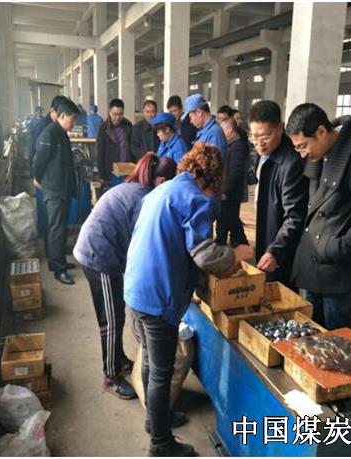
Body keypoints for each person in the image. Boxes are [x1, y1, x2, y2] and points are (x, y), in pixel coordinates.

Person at [124, 142, 254, 456]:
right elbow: (205, 255)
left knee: (150, 360)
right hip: (158, 295)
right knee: (161, 372)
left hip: (135, 288)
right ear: (210, 180)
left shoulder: (164, 190)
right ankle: (160, 443)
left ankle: (155, 420)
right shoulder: (195, 198)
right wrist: (236, 255)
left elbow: (173, 242)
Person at [73, 154, 178, 400]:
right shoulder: (144, 199)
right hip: (99, 256)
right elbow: (143, 244)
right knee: (111, 319)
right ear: (162, 181)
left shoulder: (137, 187)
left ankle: (118, 358)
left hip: (104, 250)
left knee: (116, 312)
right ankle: (111, 376)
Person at [287, 103, 351, 329]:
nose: (302, 154)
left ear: (321, 131)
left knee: (335, 339)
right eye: (297, 148)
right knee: (310, 336)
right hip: (313, 266)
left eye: (303, 146)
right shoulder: (320, 156)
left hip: (339, 274)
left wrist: (337, 248)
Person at [249, 100, 308, 287]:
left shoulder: (291, 163)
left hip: (281, 242)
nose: (259, 143)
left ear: (280, 128)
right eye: (254, 137)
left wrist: (276, 250)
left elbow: (295, 216)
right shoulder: (263, 154)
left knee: (281, 288)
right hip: (268, 228)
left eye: (265, 136)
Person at [33, 98, 81, 285]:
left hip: (63, 188)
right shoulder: (49, 134)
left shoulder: (61, 133)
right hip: (54, 189)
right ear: (61, 116)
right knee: (56, 229)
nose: (74, 123)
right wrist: (38, 179)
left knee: (60, 227)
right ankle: (59, 269)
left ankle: (57, 260)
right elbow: (39, 162)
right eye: (72, 118)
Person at [216, 118, 249, 247]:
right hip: (227, 191)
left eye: (222, 130)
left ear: (229, 129)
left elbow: (235, 172)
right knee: (224, 219)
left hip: (232, 192)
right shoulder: (229, 145)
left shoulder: (237, 146)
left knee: (232, 221)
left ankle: (242, 244)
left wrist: (226, 191)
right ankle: (221, 242)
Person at [96, 98, 133, 182]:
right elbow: (100, 153)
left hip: (127, 170)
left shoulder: (128, 125)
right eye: (114, 114)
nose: (117, 117)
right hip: (111, 172)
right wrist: (102, 176)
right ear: (109, 112)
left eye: (120, 114)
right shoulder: (103, 129)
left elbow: (132, 146)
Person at [29, 96, 67, 175]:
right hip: (45, 174)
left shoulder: (60, 126)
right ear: (52, 110)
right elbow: (33, 148)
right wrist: (34, 173)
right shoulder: (42, 126)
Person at [182, 94, 227, 159]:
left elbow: (215, 163)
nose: (191, 121)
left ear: (199, 112)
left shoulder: (214, 133)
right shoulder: (203, 131)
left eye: (191, 117)